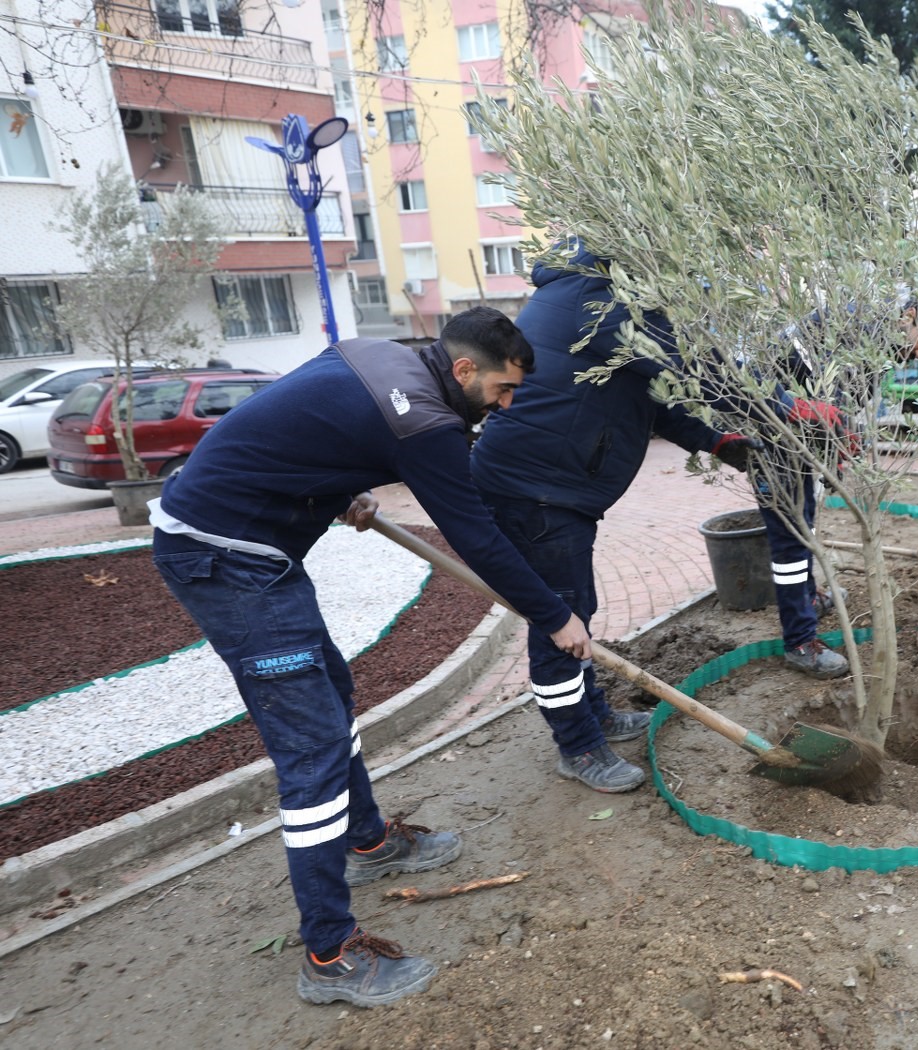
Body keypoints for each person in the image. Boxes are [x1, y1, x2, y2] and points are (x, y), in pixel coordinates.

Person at [150, 307, 592, 1009]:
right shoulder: (426, 425)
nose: (506, 405)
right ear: (464, 371)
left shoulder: (377, 354)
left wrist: (338, 487)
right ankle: (328, 957)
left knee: (331, 696)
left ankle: (369, 843)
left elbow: (299, 428)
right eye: (502, 390)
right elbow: (476, 538)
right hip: (224, 559)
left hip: (243, 543)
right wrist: (555, 615)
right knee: (313, 755)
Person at [469, 240, 756, 794]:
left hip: (555, 485)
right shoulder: (606, 300)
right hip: (537, 489)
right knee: (559, 620)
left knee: (574, 609)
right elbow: (698, 373)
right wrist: (791, 413)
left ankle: (593, 716)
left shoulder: (605, 296)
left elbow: (659, 398)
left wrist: (719, 441)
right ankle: (577, 746)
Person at [752, 299, 918, 679]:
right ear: (910, 318)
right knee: (789, 542)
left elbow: (846, 401)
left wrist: (839, 444)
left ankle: (808, 597)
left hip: (801, 442)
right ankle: (799, 641)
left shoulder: (878, 343)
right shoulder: (854, 326)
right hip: (773, 438)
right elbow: (795, 387)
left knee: (805, 527)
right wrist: (823, 426)